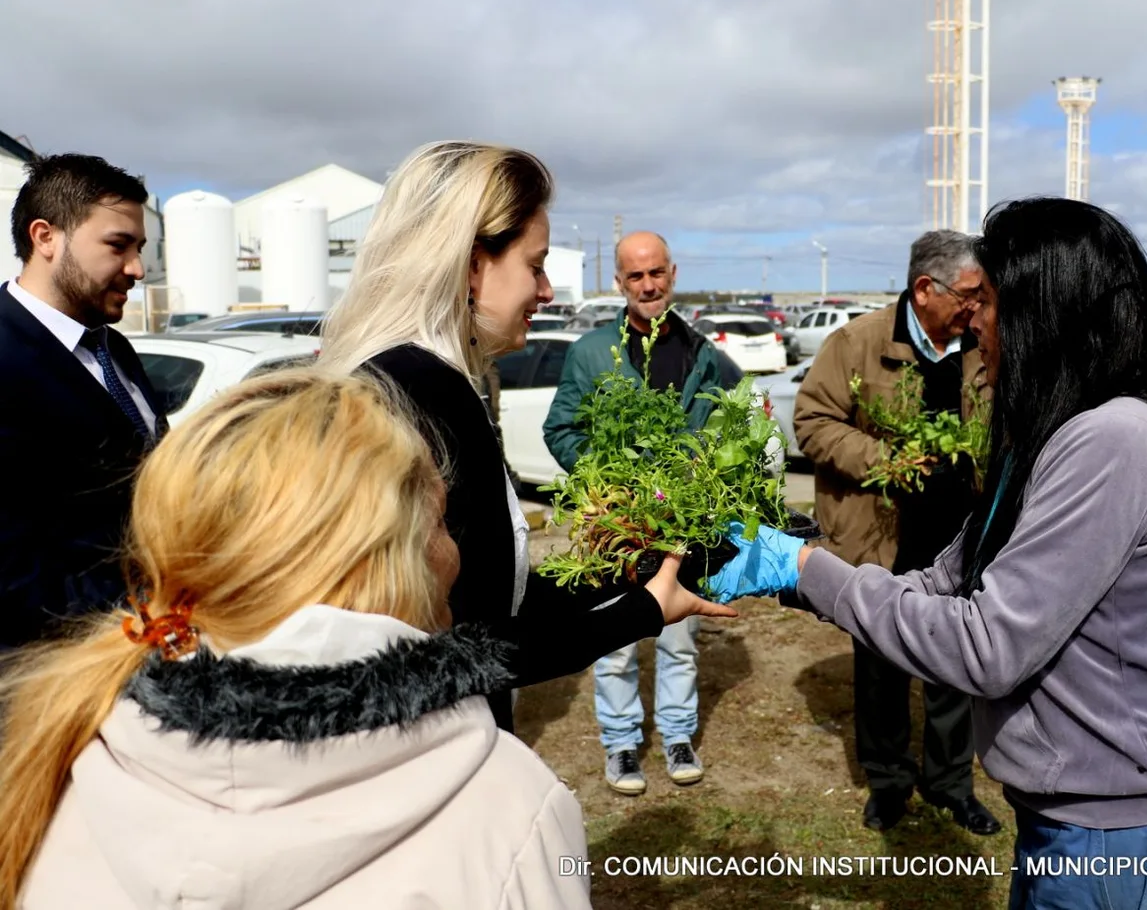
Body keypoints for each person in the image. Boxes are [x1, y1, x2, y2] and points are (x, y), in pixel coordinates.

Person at [3, 369, 701, 908]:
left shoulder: (64, 763)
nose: (454, 553)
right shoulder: (506, 805)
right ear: (381, 558)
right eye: (439, 524)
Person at [709, 198, 1147, 910]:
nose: (973, 321)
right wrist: (797, 574)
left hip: (1124, 843)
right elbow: (945, 581)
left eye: (985, 302)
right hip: (1072, 824)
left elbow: (986, 646)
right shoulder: (1048, 432)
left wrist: (807, 569)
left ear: (1045, 307)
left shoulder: (1115, 440)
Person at [318, 143, 734, 734]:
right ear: (469, 263)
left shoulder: (402, 376)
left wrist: (631, 574)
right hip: (439, 744)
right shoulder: (426, 393)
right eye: (535, 266)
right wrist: (640, 612)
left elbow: (495, 591)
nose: (546, 292)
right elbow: (475, 645)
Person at [792, 230, 997, 835]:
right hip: (878, 538)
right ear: (924, 289)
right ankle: (888, 782)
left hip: (958, 539)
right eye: (968, 293)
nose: (976, 305)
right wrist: (885, 461)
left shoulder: (980, 344)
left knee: (954, 665)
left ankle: (951, 784)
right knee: (880, 666)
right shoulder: (856, 343)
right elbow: (812, 421)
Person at [543, 231, 742, 796]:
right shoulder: (591, 352)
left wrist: (715, 471)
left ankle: (678, 734)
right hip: (618, 526)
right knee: (615, 641)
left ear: (672, 274)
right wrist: (606, 479)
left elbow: (741, 418)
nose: (648, 285)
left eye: (656, 273)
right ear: (619, 283)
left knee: (678, 636)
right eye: (636, 276)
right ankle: (622, 744)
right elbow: (560, 428)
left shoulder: (703, 353)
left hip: (679, 525)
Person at [0, 154, 166, 650]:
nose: (136, 269)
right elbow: (12, 579)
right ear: (45, 237)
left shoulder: (113, 347)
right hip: (53, 673)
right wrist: (151, 605)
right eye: (118, 246)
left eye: (138, 248)